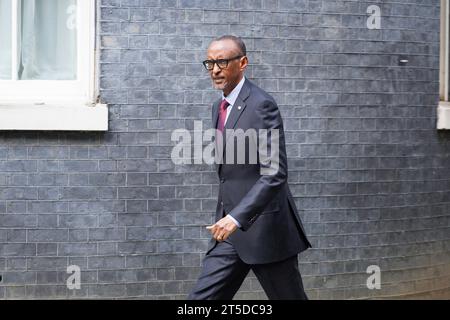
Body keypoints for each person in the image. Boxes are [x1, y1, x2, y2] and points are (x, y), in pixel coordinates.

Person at [188, 35, 312, 300]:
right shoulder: (218, 107)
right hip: (229, 234)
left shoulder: (262, 105)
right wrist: (228, 217)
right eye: (210, 63)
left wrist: (236, 218)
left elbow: (274, 173)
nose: (215, 69)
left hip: (266, 232)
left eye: (222, 61)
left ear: (242, 62)